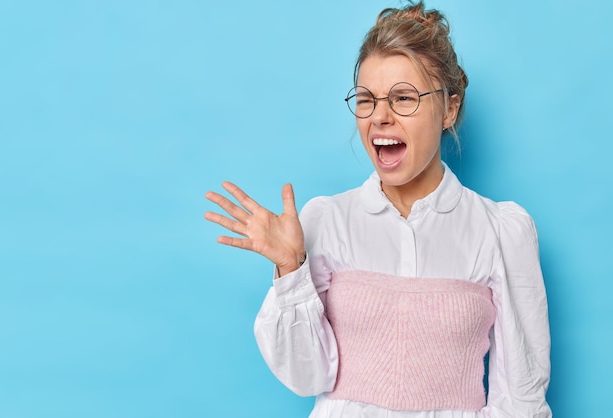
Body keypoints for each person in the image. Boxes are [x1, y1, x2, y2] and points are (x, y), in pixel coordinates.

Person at [204, 1, 552, 417]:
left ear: (450, 109)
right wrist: (290, 268)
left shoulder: (500, 231)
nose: (380, 116)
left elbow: (522, 396)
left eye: (403, 98)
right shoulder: (324, 221)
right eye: (367, 99)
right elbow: (307, 378)